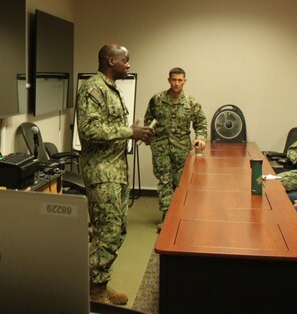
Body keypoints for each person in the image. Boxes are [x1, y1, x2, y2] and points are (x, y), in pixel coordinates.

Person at [76, 44, 154, 305]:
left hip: (116, 171)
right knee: (107, 231)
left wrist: (134, 131)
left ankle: (98, 281)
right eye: (125, 60)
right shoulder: (93, 88)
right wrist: (128, 132)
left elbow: (110, 127)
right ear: (111, 61)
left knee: (117, 230)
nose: (128, 65)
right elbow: (89, 130)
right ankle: (94, 292)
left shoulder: (111, 89)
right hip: (102, 173)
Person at [144, 67, 207, 231]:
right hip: (161, 148)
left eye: (180, 80)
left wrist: (200, 138)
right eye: (173, 80)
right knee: (164, 181)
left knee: (179, 183)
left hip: (181, 149)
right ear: (168, 80)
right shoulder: (157, 100)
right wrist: (149, 136)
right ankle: (167, 216)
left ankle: (179, 214)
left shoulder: (191, 103)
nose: (176, 83)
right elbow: (148, 120)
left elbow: (201, 123)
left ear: (185, 81)